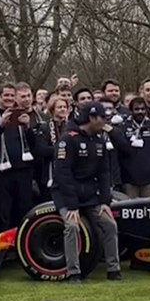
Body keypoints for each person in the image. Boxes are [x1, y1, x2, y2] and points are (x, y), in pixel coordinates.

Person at [52, 102, 122, 282]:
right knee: (72, 226)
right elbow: (62, 174)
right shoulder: (68, 139)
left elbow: (105, 173)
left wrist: (105, 201)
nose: (106, 122)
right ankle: (73, 272)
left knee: (109, 224)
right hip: (66, 194)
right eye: (102, 118)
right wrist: (72, 205)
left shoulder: (100, 140)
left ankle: (114, 270)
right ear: (92, 118)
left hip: (91, 195)